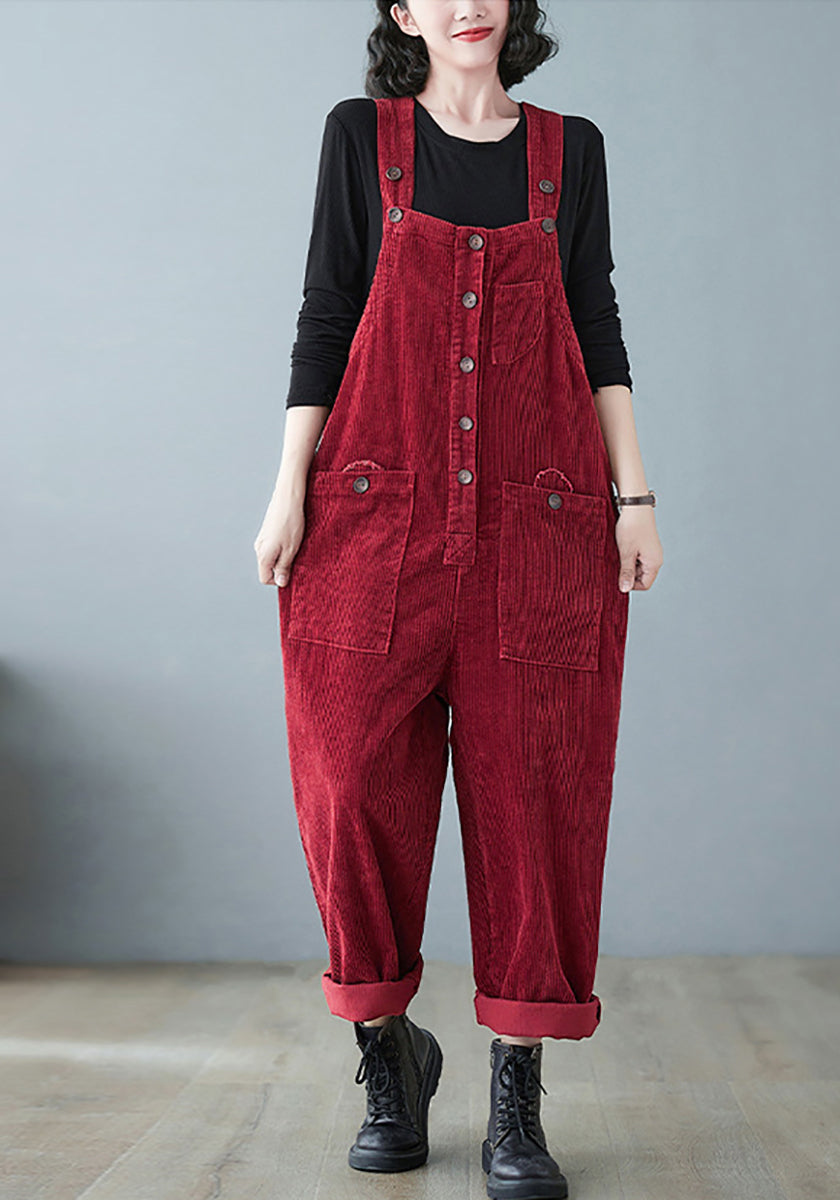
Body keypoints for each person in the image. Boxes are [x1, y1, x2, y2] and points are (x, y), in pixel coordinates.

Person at [254, 2, 663, 1196]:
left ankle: (516, 1099)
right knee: (348, 787)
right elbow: (328, 313)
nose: (464, 1)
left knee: (538, 798)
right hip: (372, 519)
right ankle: (390, 1052)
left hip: (540, 528)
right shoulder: (360, 138)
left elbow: (596, 321)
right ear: (404, 13)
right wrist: (287, 492)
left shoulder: (570, 152)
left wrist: (636, 497)